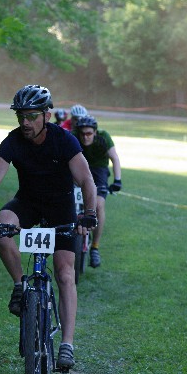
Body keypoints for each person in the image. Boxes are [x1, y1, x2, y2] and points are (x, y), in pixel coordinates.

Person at [0, 85, 97, 369]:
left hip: (61, 207)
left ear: (47, 115)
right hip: (28, 203)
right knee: (3, 230)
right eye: (21, 117)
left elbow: (87, 180)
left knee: (66, 273)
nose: (25, 123)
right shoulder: (13, 141)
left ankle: (66, 343)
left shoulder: (64, 140)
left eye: (31, 116)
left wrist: (88, 214)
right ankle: (19, 285)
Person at [75, 115, 122, 269]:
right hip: (79, 169)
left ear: (95, 132)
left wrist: (117, 180)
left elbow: (114, 158)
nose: (85, 137)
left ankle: (95, 247)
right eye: (82, 133)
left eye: (89, 133)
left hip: (98, 172)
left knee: (99, 205)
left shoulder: (104, 137)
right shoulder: (73, 136)